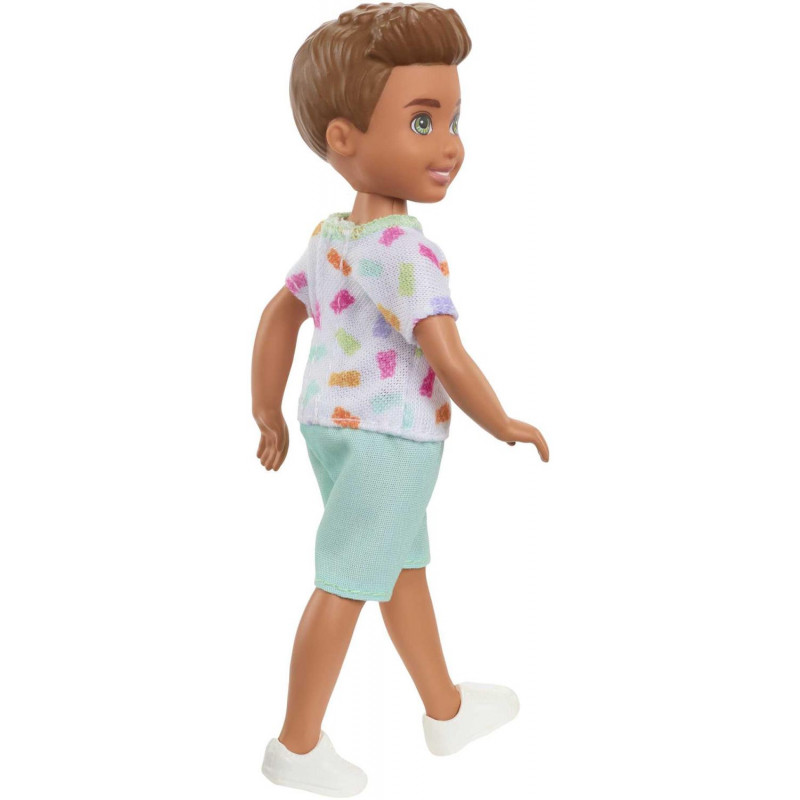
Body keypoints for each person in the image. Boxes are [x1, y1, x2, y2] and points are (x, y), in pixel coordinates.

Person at [251, 3, 549, 796]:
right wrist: (501, 421)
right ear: (343, 138)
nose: (449, 143)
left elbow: (279, 315)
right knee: (349, 578)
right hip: (392, 437)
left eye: (453, 119)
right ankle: (297, 744)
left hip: (332, 428)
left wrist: (267, 410)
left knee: (401, 566)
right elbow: (447, 353)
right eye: (423, 122)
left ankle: (445, 710)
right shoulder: (406, 252)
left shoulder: (331, 236)